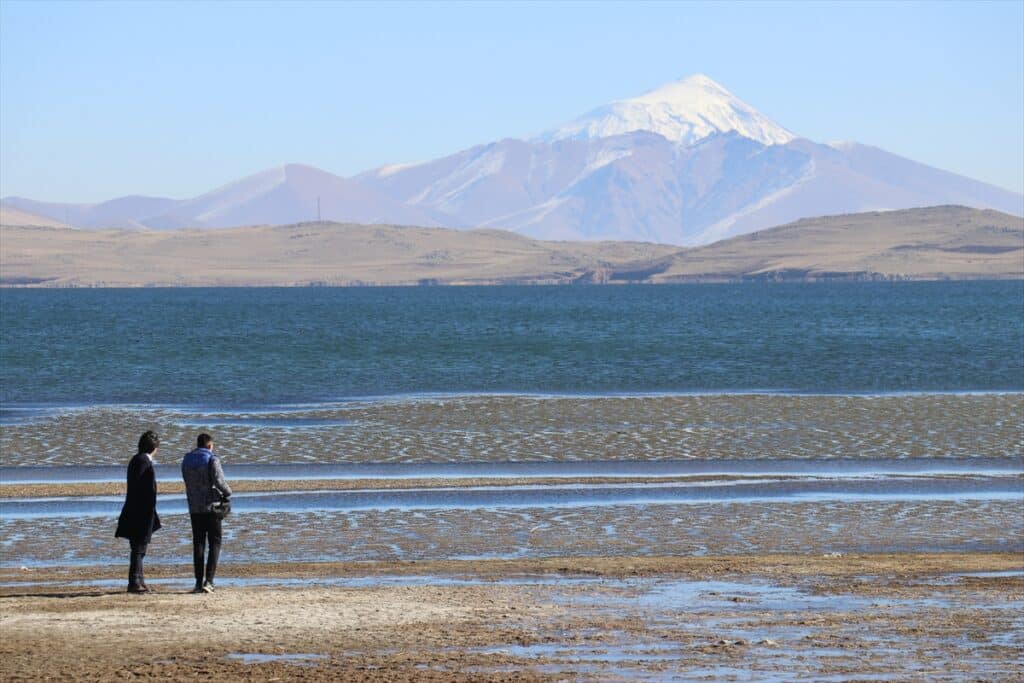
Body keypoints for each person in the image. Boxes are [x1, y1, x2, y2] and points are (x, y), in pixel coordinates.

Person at [181, 433, 232, 594]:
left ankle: (197, 582)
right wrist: (228, 492)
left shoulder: (187, 459)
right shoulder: (212, 459)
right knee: (215, 542)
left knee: (198, 543)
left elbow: (187, 481)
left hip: (194, 507)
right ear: (210, 446)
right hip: (211, 507)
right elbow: (219, 481)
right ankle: (209, 581)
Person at [115, 430, 162, 594]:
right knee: (138, 547)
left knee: (139, 547)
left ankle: (139, 580)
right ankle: (135, 581)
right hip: (140, 510)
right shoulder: (143, 461)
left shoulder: (138, 460)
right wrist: (148, 510)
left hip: (137, 509)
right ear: (154, 447)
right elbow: (146, 489)